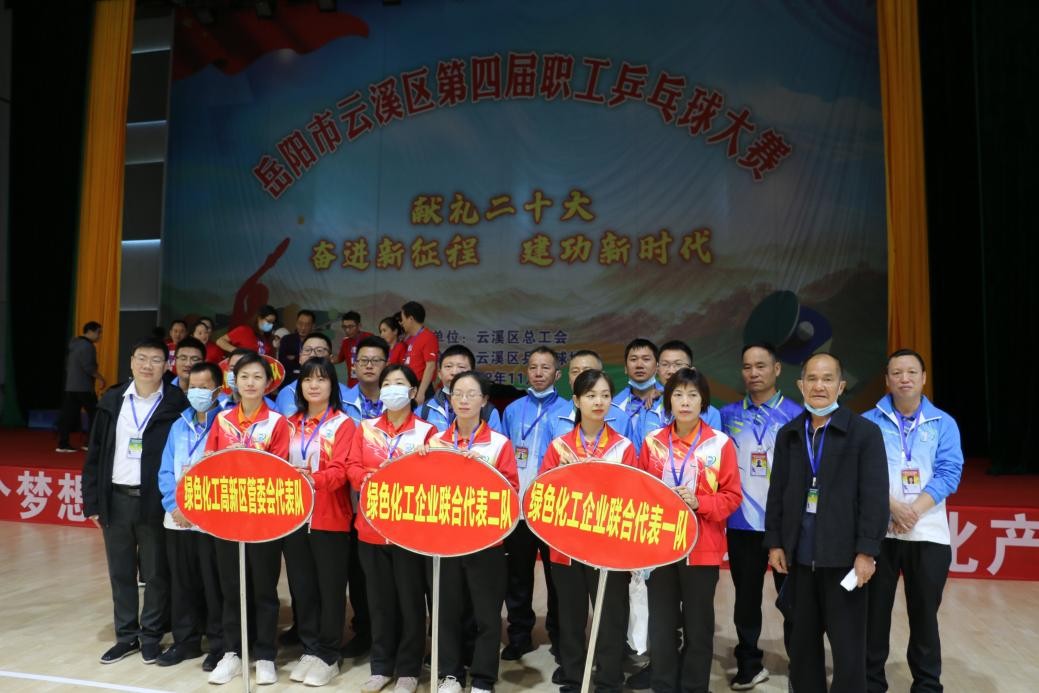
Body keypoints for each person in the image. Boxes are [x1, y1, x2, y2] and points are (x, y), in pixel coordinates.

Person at [764, 353, 888, 693]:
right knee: (802, 647)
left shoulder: (864, 433)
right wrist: (775, 542)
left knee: (848, 650)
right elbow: (777, 493)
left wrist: (867, 551)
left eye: (828, 379)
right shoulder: (789, 434)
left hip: (844, 561)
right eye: (812, 379)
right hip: (799, 561)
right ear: (800, 384)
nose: (819, 386)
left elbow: (875, 497)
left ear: (841, 386)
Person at [81, 336, 188, 665]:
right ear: (130, 362)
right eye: (141, 358)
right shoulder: (112, 400)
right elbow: (95, 454)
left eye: (156, 360)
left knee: (156, 574)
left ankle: (151, 635)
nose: (147, 365)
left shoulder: (176, 403)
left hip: (154, 501)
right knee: (121, 572)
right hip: (116, 498)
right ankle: (126, 636)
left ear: (166, 365)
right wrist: (92, 502)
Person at [863, 349, 963, 693]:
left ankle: (927, 684)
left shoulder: (943, 423)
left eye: (911, 372)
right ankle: (871, 682)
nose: (904, 378)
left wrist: (913, 511)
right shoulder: (867, 422)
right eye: (896, 372)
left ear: (923, 378)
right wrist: (892, 507)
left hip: (928, 534)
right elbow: (861, 474)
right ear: (887, 380)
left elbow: (949, 473)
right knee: (874, 614)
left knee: (924, 615)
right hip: (880, 533)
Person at [639, 367, 741, 693]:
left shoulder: (720, 444)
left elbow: (732, 496)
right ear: (668, 400)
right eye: (678, 394)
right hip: (661, 547)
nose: (685, 402)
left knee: (698, 626)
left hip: (702, 546)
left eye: (692, 395)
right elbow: (640, 494)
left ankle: (695, 687)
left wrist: (700, 502)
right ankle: (663, 685)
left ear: (703, 402)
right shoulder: (653, 443)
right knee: (662, 624)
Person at [540, 368, 637, 693]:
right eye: (591, 395)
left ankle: (609, 680)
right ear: (576, 400)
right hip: (566, 547)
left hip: (608, 548)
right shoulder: (559, 447)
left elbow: (633, 498)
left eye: (605, 395)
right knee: (571, 616)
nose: (599, 402)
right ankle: (573, 678)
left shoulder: (623, 447)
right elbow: (542, 495)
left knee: (611, 615)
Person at [426, 370, 519, 693]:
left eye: (471, 394)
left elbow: (511, 494)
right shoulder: (435, 443)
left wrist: (486, 471)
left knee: (487, 614)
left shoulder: (499, 444)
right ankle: (450, 674)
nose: (464, 400)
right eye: (457, 394)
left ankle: (482, 677)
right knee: (446, 610)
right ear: (450, 400)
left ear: (484, 400)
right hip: (446, 541)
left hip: (486, 542)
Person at [345, 364, 435, 693]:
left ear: (412, 392)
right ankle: (381, 666)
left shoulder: (426, 432)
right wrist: (365, 476)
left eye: (399, 383)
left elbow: (434, 479)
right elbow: (352, 466)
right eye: (387, 384)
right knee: (379, 602)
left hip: (409, 532)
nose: (391, 389)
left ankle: (409, 669)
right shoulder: (366, 428)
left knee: (410, 602)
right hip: (370, 527)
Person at [204, 352, 292, 685]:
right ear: (234, 382)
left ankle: (266, 655)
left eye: (257, 377)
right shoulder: (222, 420)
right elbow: (209, 463)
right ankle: (233, 653)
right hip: (227, 516)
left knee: (264, 589)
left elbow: (280, 469)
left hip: (264, 518)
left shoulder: (277, 422)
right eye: (244, 377)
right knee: (231, 588)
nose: (251, 383)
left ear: (268, 383)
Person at [720, 342, 803, 690]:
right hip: (741, 522)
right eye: (747, 367)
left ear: (777, 369)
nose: (753, 373)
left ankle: (801, 663)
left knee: (794, 599)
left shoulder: (797, 415)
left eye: (761, 366)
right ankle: (749, 662)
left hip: (786, 526)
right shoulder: (726, 415)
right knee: (746, 598)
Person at [284, 357, 357, 687]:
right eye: (307, 379)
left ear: (332, 385)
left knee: (330, 588)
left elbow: (341, 471)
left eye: (321, 379)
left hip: (330, 517)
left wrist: (311, 479)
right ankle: (310, 648)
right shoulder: (290, 423)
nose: (313, 385)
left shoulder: (342, 424)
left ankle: (329, 653)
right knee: (302, 587)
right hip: (294, 517)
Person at [500, 347, 570, 664]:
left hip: (554, 511)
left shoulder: (570, 410)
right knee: (517, 577)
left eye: (546, 367)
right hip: (518, 509)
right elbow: (503, 457)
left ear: (558, 374)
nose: (539, 373)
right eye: (533, 367)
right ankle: (519, 636)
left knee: (558, 579)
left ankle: (560, 636)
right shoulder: (513, 410)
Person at [156, 361, 225, 670]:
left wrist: (203, 510)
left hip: (212, 521)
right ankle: (186, 642)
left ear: (218, 390)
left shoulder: (225, 424)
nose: (197, 392)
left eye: (204, 387)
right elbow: (165, 470)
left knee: (214, 585)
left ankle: (219, 645)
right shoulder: (178, 425)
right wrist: (175, 506)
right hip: (179, 519)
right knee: (182, 583)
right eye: (192, 387)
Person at [420, 345, 503, 433]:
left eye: (461, 367)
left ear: (472, 373)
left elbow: (496, 440)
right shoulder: (425, 409)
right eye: (448, 366)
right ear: (439, 374)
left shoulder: (488, 411)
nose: (454, 372)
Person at [57, 321, 106, 453]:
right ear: (90, 331)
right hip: (84, 387)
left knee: (68, 416)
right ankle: (90, 443)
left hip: (71, 386)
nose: (100, 336)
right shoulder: (87, 346)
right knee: (95, 414)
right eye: (98, 332)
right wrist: (101, 378)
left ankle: (62, 444)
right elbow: (89, 367)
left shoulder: (73, 344)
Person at [275, 333, 349, 417]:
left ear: (331, 359)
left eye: (319, 350)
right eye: (307, 350)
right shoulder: (286, 393)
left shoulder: (347, 394)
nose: (312, 355)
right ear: (300, 358)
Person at [342, 335, 390, 423]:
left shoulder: (400, 403)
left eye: (376, 361)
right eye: (364, 360)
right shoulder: (340, 404)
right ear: (354, 366)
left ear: (387, 366)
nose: (369, 366)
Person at [400, 301, 439, 405]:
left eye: (403, 319)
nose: (401, 323)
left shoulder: (428, 337)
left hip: (421, 388)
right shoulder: (409, 339)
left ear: (410, 319)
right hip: (409, 387)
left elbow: (430, 366)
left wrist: (421, 393)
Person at [333, 310, 374, 388]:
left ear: (359, 326)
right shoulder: (345, 341)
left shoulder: (369, 337)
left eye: (351, 327)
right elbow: (339, 359)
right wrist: (327, 358)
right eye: (344, 327)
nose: (347, 330)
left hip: (368, 382)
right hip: (352, 383)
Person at [277, 309, 316, 385]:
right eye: (300, 323)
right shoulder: (286, 339)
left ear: (313, 326)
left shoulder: (316, 341)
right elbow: (282, 361)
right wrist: (303, 358)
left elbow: (315, 362)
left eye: (307, 325)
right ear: (296, 323)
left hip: (310, 380)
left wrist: (294, 358)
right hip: (288, 381)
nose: (303, 328)